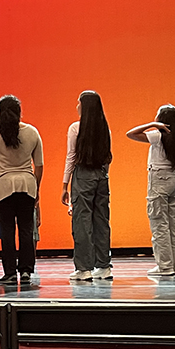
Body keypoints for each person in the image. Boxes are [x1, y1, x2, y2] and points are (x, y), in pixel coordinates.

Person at [0, 95, 43, 285]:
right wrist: (37, 188)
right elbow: (39, 165)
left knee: (7, 231)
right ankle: (26, 271)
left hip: (3, 187)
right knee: (26, 229)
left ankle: (9, 272)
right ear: (19, 111)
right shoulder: (32, 132)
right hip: (27, 185)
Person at [126, 105, 175, 277]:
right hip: (174, 179)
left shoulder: (159, 135)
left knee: (159, 224)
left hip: (158, 179)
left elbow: (130, 134)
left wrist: (152, 124)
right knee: (172, 225)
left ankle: (165, 266)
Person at [61, 90, 113, 281]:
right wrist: (102, 174)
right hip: (101, 175)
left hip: (82, 175)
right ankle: (104, 265)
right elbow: (108, 158)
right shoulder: (105, 129)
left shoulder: (76, 128)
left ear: (85, 106)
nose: (76, 106)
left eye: (78, 102)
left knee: (82, 221)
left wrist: (64, 185)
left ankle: (83, 268)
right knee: (101, 221)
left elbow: (71, 157)